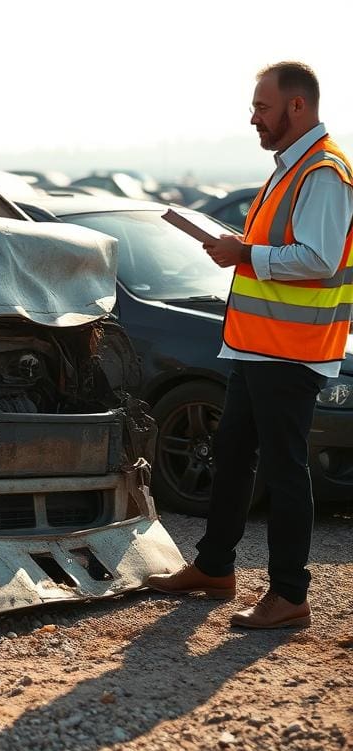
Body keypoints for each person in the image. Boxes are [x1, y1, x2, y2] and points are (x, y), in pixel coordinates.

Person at [146, 62, 353, 630]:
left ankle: (290, 595)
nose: (253, 117)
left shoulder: (324, 171)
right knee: (232, 456)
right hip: (258, 347)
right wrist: (243, 249)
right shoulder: (291, 169)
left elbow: (319, 258)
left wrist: (244, 255)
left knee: (285, 471)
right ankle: (215, 568)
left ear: (297, 107)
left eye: (262, 106)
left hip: (291, 351)